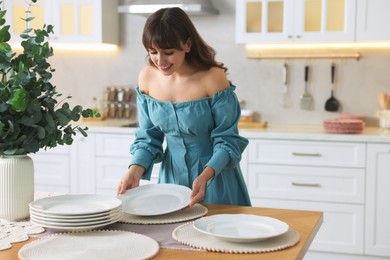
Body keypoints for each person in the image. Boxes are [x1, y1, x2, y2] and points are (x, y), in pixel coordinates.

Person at [116, 7, 251, 207]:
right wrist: (134, 170)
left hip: (215, 178)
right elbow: (148, 137)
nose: (160, 61)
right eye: (153, 52)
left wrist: (206, 176)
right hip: (171, 181)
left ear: (187, 44)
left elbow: (227, 140)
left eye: (168, 53)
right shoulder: (147, 77)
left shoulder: (213, 78)